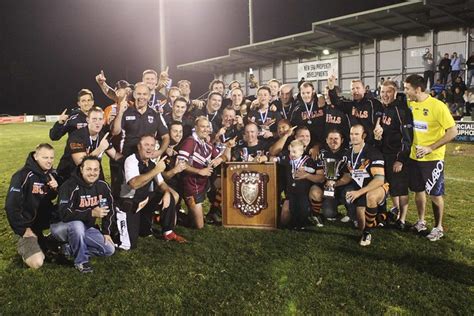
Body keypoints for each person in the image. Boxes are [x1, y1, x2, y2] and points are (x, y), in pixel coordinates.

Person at [404, 74, 458, 241]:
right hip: (414, 157)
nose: (405, 92)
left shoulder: (438, 106)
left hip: (433, 159)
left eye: (407, 89)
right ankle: (421, 222)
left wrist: (430, 148)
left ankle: (438, 227)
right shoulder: (409, 104)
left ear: (418, 89)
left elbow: (453, 131)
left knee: (435, 193)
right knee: (418, 190)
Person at [119, 135, 186, 249]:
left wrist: (166, 192)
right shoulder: (131, 160)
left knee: (168, 194)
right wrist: (156, 170)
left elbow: (161, 183)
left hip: (143, 200)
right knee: (129, 245)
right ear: (139, 146)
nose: (149, 148)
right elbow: (134, 184)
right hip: (129, 202)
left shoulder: (152, 163)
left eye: (152, 146)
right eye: (146, 145)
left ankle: (168, 232)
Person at [51, 156, 115, 273]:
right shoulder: (69, 186)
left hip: (86, 228)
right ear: (81, 169)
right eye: (89, 169)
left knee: (109, 249)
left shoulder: (102, 186)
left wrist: (106, 232)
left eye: (96, 170)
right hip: (60, 226)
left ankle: (68, 249)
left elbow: (108, 210)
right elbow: (64, 214)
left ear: (100, 171)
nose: (92, 173)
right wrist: (91, 213)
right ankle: (81, 261)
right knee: (77, 225)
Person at [5, 144, 59, 269]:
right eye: (45, 157)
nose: (49, 161)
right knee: (37, 262)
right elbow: (11, 207)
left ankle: (47, 240)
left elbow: (48, 198)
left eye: (52, 157)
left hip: (40, 225)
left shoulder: (50, 174)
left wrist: (54, 189)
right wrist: (24, 230)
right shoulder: (21, 176)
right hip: (25, 228)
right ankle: (22, 243)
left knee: (66, 214)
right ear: (36, 157)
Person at [375, 80, 413, 230]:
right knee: (391, 187)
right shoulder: (384, 108)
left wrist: (400, 160)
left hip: (396, 156)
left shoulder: (401, 110)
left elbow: (407, 138)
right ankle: (395, 211)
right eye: (382, 92)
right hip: (384, 154)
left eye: (388, 92)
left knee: (401, 189)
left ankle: (402, 220)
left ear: (395, 92)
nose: (384, 95)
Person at [177, 117, 229, 229]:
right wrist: (199, 171)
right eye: (202, 126)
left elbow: (224, 157)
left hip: (203, 185)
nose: (205, 129)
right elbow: (180, 164)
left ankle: (212, 212)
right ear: (195, 128)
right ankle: (176, 216)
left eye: (207, 127)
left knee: (225, 182)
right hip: (191, 186)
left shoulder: (207, 144)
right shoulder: (190, 141)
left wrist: (220, 159)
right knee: (199, 226)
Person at [344, 125, 390, 246]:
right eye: (351, 134)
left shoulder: (372, 152)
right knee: (361, 225)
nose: (353, 137)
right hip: (360, 189)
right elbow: (349, 175)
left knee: (371, 196)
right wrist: (334, 183)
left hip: (377, 187)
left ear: (363, 136)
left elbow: (380, 179)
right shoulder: (349, 153)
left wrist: (359, 193)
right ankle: (383, 216)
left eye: (356, 134)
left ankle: (367, 233)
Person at [56, 106, 121, 181]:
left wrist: (132, 158)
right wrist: (100, 149)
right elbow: (80, 163)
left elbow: (115, 155)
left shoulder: (102, 136)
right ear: (87, 120)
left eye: (100, 119)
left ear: (103, 121)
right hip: (70, 175)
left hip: (89, 174)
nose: (97, 122)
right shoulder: (76, 136)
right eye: (94, 119)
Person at [111, 82, 169, 158]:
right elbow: (115, 132)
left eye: (144, 94)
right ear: (134, 95)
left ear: (149, 97)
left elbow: (166, 137)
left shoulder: (156, 114)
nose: (141, 97)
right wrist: (120, 113)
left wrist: (160, 152)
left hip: (147, 159)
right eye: (139, 94)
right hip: (127, 156)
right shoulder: (125, 112)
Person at [277, 140, 320, 229]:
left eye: (294, 152)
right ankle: (295, 223)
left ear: (301, 151)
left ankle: (303, 223)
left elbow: (313, 170)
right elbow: (279, 160)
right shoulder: (289, 159)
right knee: (292, 207)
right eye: (291, 151)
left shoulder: (307, 160)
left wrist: (306, 169)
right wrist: (273, 159)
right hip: (291, 191)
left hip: (303, 190)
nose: (292, 154)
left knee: (303, 207)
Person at [328, 75, 383, 144]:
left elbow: (380, 115)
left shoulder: (374, 103)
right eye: (353, 89)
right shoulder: (350, 105)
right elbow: (336, 102)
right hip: (355, 143)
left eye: (358, 88)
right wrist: (331, 88)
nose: (355, 91)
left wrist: (378, 125)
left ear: (364, 89)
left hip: (371, 143)